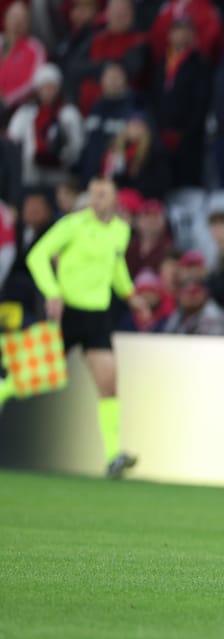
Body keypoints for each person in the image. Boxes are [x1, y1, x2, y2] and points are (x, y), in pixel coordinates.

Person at [11, 177, 147, 476]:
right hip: (67, 313)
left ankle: (112, 456)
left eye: (103, 194)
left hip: (97, 315)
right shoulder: (73, 225)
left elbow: (116, 265)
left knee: (108, 385)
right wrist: (52, 292)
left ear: (114, 199)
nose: (97, 199)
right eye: (93, 194)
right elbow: (37, 256)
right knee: (27, 375)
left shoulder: (121, 231)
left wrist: (130, 295)